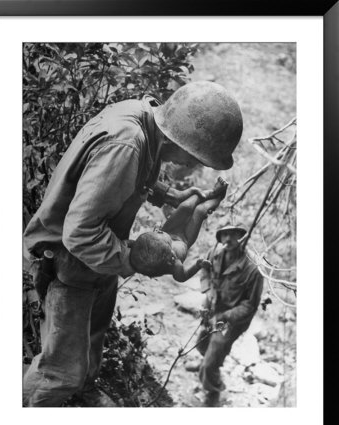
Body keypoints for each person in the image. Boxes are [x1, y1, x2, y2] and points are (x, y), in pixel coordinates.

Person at [22, 80, 243, 407]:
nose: (196, 165)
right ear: (181, 140)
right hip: (69, 262)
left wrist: (168, 194)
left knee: (90, 349)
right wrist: (135, 260)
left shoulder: (143, 119)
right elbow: (80, 233)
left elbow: (131, 172)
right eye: (198, 157)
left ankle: (82, 399)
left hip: (97, 260)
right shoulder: (127, 143)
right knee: (60, 372)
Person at [192, 223, 264, 407]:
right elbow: (204, 269)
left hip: (232, 320)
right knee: (201, 342)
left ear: (242, 237)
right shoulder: (215, 253)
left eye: (234, 234)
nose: (228, 239)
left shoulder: (253, 269)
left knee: (215, 352)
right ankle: (207, 365)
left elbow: (250, 305)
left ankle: (214, 390)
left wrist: (225, 316)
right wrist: (207, 289)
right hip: (213, 307)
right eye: (224, 235)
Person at [130, 177, 228, 282]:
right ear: (170, 259)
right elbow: (182, 278)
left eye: (158, 233)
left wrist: (128, 243)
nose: (158, 231)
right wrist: (197, 266)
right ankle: (219, 198)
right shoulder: (175, 264)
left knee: (186, 206)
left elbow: (132, 244)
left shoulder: (145, 249)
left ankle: (212, 193)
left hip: (170, 230)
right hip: (185, 238)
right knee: (200, 211)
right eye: (170, 247)